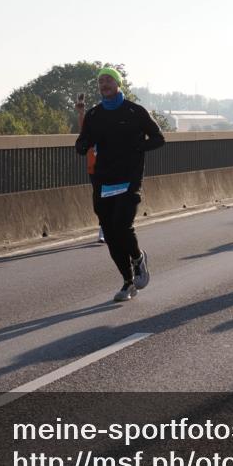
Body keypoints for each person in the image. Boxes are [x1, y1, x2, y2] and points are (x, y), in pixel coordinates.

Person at [75, 67, 164, 301]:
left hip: (129, 179)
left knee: (122, 225)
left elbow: (158, 138)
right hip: (104, 181)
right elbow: (84, 139)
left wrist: (137, 148)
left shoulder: (134, 111)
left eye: (108, 80)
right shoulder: (95, 115)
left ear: (118, 84)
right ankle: (127, 282)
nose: (103, 84)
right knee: (111, 234)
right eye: (100, 82)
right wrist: (81, 145)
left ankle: (138, 258)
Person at [76, 93, 105, 244]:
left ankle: (112, 226)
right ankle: (104, 227)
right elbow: (83, 130)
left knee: (111, 198)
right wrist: (81, 112)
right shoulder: (90, 130)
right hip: (94, 168)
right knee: (99, 199)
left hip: (111, 167)